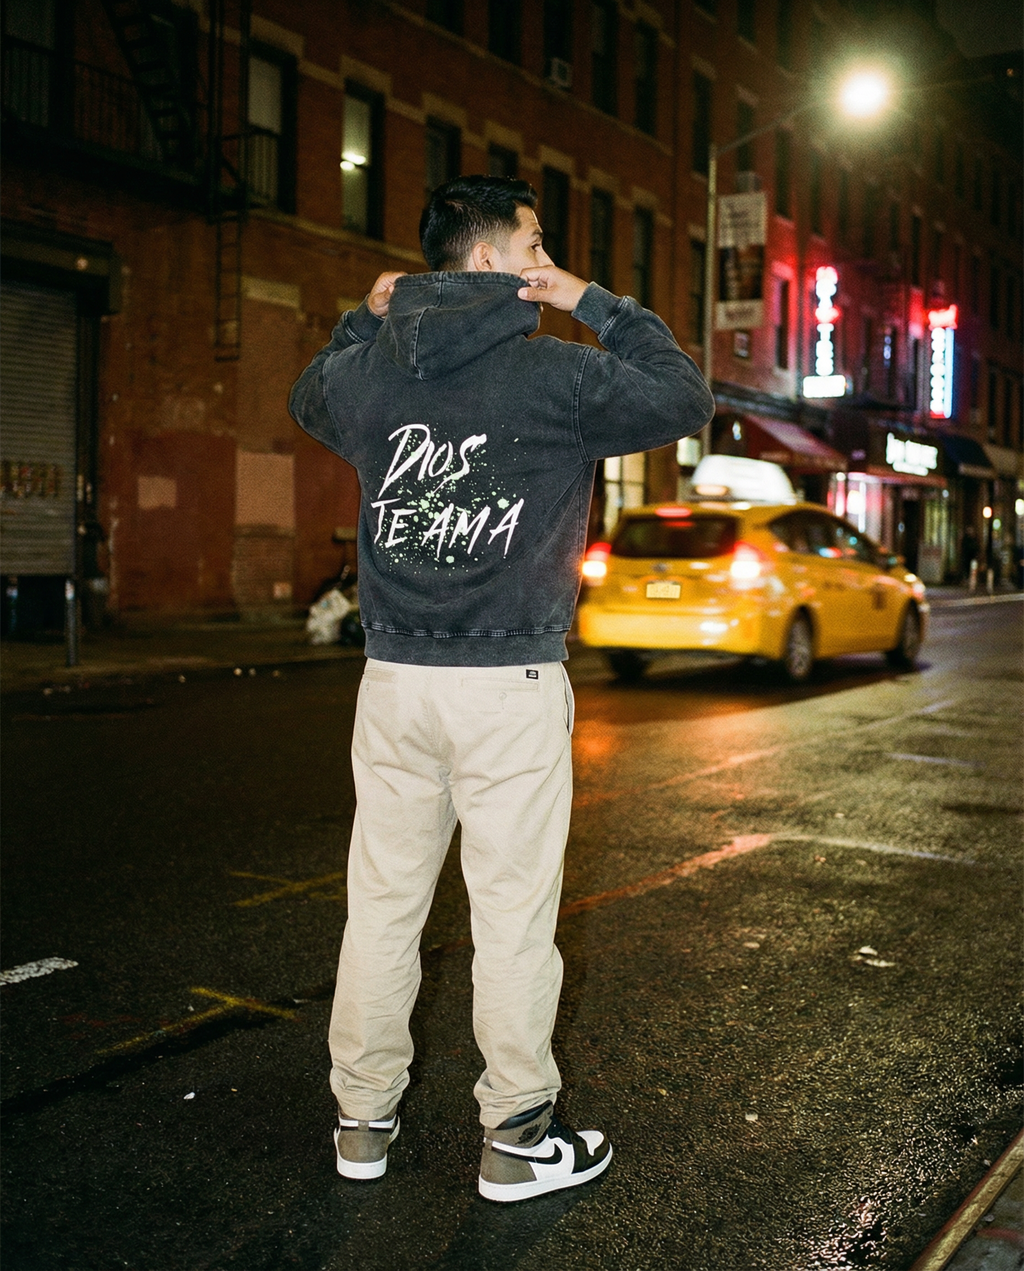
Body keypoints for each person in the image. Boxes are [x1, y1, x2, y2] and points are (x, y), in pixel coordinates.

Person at [288, 175, 714, 1201]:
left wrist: (366, 314)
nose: (543, 261)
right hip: (507, 683)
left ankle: (361, 1121)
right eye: (533, 245)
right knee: (513, 918)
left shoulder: (371, 376)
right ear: (487, 259)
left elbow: (309, 393)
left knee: (381, 907)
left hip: (394, 680)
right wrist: (591, 300)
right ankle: (517, 1135)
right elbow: (682, 394)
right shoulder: (556, 376)